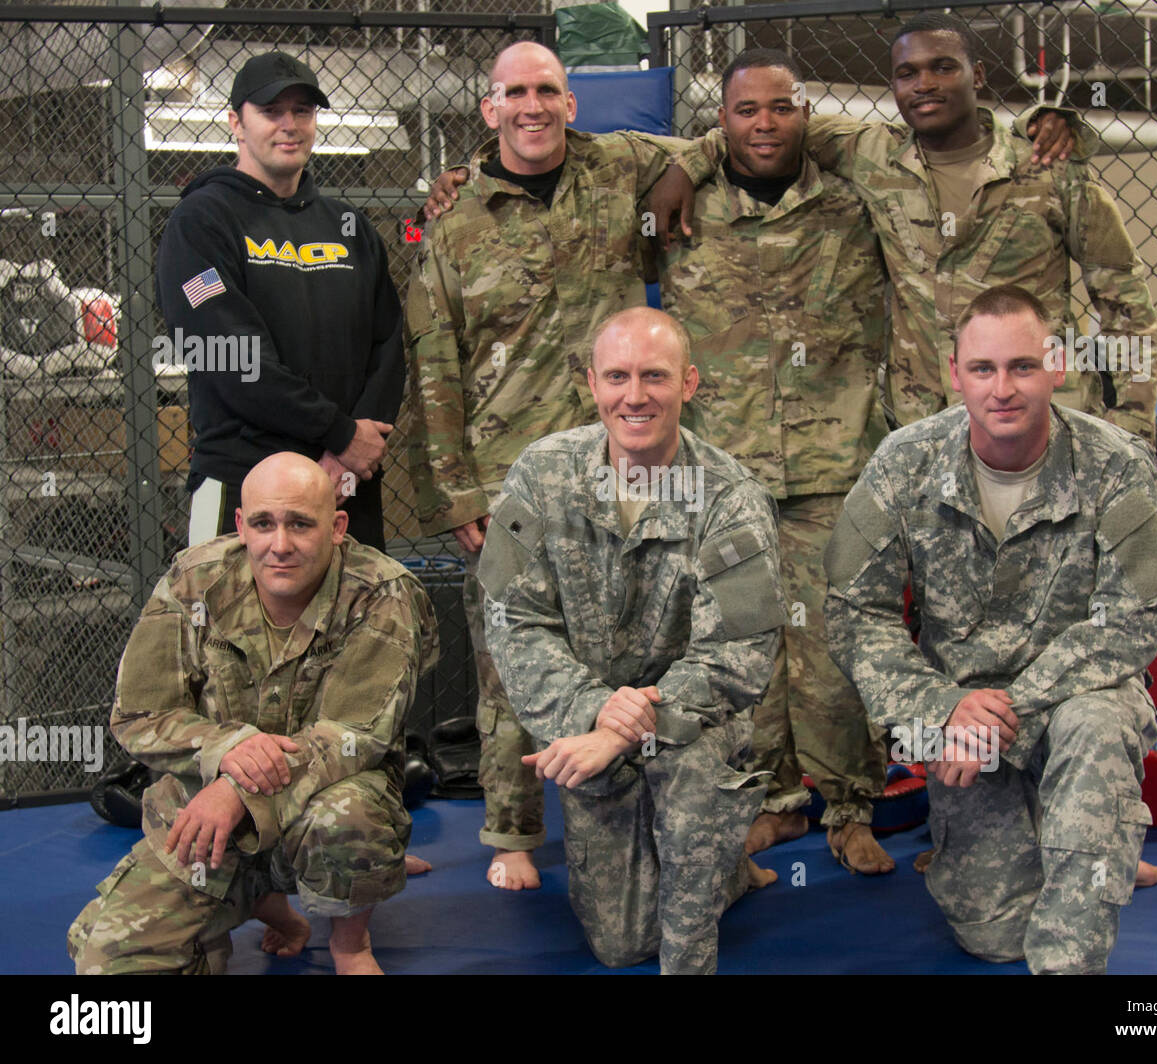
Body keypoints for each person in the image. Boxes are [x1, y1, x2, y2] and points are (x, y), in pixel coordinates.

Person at [825, 285, 1157, 973]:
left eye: (1022, 367)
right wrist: (941, 706)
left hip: (1072, 698)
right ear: (955, 374)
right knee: (991, 937)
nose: (1002, 389)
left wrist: (1012, 705)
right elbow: (851, 612)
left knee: (1098, 726)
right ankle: (1076, 842)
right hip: (959, 719)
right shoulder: (904, 463)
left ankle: (1073, 931)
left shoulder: (1117, 464)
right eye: (983, 370)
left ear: (1056, 367)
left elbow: (1135, 617)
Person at [407, 41, 694, 892]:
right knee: (508, 654)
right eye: (513, 95)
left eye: (547, 92)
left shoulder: (619, 169)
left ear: (571, 105)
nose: (531, 107)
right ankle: (512, 831)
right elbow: (435, 363)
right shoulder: (454, 220)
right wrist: (456, 488)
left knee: (645, 633)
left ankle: (647, 807)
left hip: (623, 462)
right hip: (508, 478)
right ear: (489, 110)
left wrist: (680, 173)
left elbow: (722, 147)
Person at [654, 12, 1157, 445]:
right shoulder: (873, 156)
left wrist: (1131, 426)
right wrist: (691, 162)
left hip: (1035, 420)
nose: (924, 84)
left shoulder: (1049, 168)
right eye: (907, 73)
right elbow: (766, 127)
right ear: (894, 86)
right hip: (926, 426)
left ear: (977, 75)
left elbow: (1126, 308)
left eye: (943, 67)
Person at [477, 307, 784, 974]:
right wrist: (592, 710)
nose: (634, 396)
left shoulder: (732, 497)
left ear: (691, 384)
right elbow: (509, 618)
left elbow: (740, 654)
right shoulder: (539, 476)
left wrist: (626, 725)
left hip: (691, 722)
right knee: (620, 946)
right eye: (617, 376)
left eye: (655, 376)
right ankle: (717, 868)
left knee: (693, 789)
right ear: (592, 383)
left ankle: (708, 877)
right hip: (585, 723)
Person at [657, 49, 895, 874]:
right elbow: (569, 156)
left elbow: (921, 141)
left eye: (782, 109)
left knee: (833, 643)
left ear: (806, 116)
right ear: (718, 121)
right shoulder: (680, 209)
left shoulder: (853, 202)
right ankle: (771, 802)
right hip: (728, 469)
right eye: (745, 110)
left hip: (835, 461)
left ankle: (852, 804)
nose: (765, 124)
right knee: (744, 637)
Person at [67, 453, 437, 975]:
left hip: (326, 799)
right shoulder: (194, 582)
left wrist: (238, 789)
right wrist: (228, 748)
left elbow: (356, 735)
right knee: (107, 964)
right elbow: (139, 715)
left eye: (300, 524)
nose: (279, 544)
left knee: (345, 817)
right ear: (241, 525)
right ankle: (263, 911)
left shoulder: (382, 593)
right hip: (205, 812)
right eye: (263, 523)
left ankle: (350, 946)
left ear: (336, 527)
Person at [156, 51, 404, 549]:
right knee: (227, 629)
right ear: (236, 122)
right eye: (271, 111)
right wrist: (338, 432)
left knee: (355, 626)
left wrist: (350, 451)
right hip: (244, 485)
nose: (289, 125)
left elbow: (390, 343)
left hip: (345, 485)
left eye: (303, 112)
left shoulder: (347, 226)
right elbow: (231, 357)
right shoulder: (202, 221)